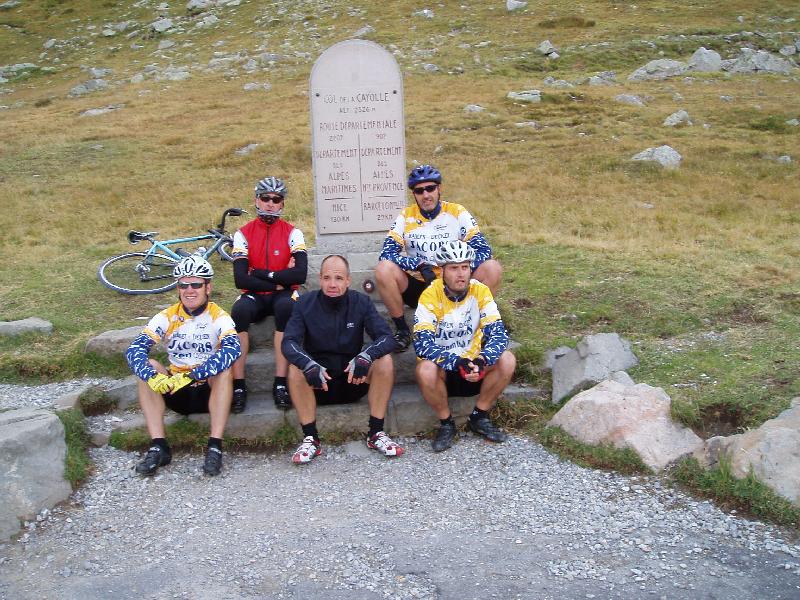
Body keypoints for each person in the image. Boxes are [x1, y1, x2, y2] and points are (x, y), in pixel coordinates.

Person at [125, 255, 242, 476]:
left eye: (196, 284)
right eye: (183, 285)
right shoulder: (167, 316)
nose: (190, 290)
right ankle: (158, 446)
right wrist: (152, 376)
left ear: (208, 287)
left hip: (207, 389)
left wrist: (193, 375)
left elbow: (232, 350)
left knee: (225, 371)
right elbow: (134, 350)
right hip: (176, 390)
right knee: (148, 365)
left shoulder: (219, 316)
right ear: (178, 288)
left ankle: (215, 446)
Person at [281, 254, 403, 464]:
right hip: (318, 382)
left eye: (338, 278)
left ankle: (376, 433)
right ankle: (310, 438)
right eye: (327, 278)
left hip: (353, 378)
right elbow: (288, 342)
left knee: (385, 360)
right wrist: (307, 364)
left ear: (348, 280)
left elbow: (386, 338)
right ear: (320, 279)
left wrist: (366, 357)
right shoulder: (304, 303)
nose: (332, 284)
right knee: (294, 367)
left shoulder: (361, 302)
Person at [375, 164, 502, 351]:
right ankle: (402, 330)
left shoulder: (457, 212)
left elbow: (483, 249)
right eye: (419, 191)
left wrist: (456, 267)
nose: (426, 195)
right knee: (383, 269)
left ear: (439, 188)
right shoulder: (406, 216)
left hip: (454, 285)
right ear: (414, 195)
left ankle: (476, 328)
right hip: (422, 286)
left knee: (493, 268)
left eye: (430, 188)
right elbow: (386, 254)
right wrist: (417, 264)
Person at [413, 240, 516, 453]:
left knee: (507, 359)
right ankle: (446, 423)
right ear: (442, 271)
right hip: (446, 370)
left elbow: (498, 334)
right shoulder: (430, 295)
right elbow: (423, 345)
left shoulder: (480, 291)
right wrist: (457, 362)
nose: (460, 274)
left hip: (474, 368)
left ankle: (479, 416)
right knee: (424, 368)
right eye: (453, 268)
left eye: (465, 267)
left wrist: (481, 360)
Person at [229, 176, 308, 413]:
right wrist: (280, 280)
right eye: (266, 199)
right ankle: (239, 385)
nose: (271, 204)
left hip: (282, 298)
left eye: (276, 199)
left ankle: (280, 382)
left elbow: (300, 275)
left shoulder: (293, 233)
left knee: (287, 308)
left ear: (282, 204)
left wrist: (263, 274)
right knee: (240, 311)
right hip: (256, 295)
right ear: (257, 200)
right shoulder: (242, 233)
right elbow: (240, 279)